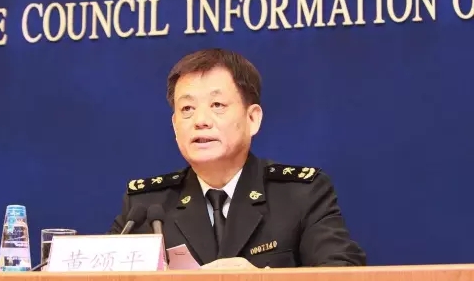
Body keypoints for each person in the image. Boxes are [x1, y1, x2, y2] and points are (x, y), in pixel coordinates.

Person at [109, 48, 366, 269]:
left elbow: (343, 271)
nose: (200, 120)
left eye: (217, 105)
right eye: (187, 109)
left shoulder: (301, 194)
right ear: (175, 126)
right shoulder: (145, 207)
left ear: (252, 118)